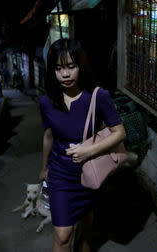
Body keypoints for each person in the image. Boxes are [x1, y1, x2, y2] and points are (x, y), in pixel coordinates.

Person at [38, 38, 126, 252]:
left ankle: (84, 240)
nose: (65, 74)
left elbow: (120, 133)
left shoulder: (98, 97)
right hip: (60, 174)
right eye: (58, 69)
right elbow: (48, 136)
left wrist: (89, 150)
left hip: (88, 173)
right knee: (62, 235)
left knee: (86, 220)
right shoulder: (47, 101)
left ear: (81, 66)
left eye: (71, 67)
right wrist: (44, 167)